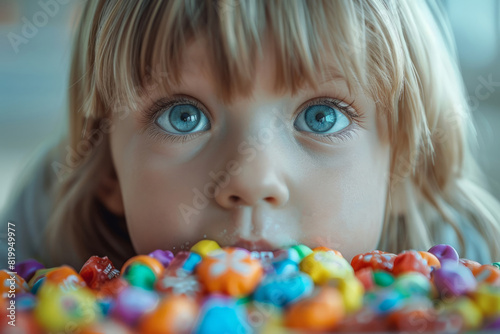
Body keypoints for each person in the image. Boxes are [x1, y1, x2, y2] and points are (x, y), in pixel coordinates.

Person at [1, 0, 500, 271]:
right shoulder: (32, 254)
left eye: (321, 116)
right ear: (108, 170)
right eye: (183, 116)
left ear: (402, 171)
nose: (252, 178)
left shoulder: (457, 285)